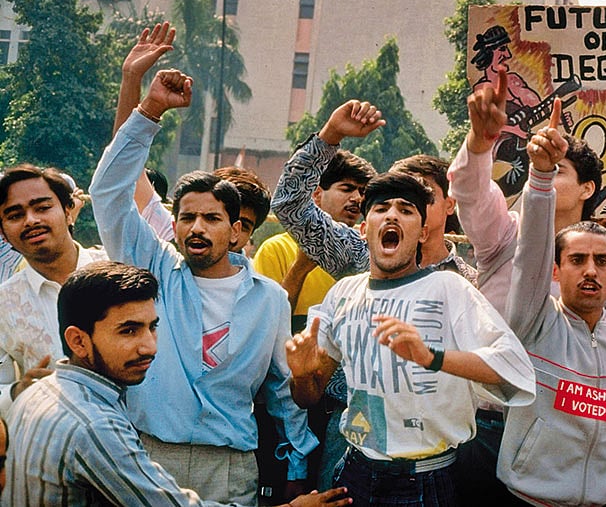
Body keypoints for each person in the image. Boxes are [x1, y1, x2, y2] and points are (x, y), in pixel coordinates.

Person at [90, 69, 318, 504]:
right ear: (173, 225)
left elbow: (283, 393)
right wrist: (149, 110)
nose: (197, 227)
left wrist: (297, 465)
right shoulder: (151, 270)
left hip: (230, 467)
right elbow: (108, 192)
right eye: (187, 217)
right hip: (146, 455)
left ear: (236, 232)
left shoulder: (268, 299)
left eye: (211, 218)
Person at [1, 260, 349, 507]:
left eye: (152, 326)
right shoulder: (94, 425)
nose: (149, 346)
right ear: (78, 341)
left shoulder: (41, 391)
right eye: (129, 331)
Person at [285, 164, 535, 507]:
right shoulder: (343, 293)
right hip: (354, 472)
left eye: (405, 210)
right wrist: (300, 376)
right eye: (381, 208)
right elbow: (308, 396)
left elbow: (513, 368)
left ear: (422, 232)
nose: (392, 216)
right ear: (363, 229)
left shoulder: (450, 289)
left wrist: (431, 357)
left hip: (428, 479)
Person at [497, 110, 606, 507]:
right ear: (555, 269)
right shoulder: (533, 321)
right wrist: (541, 177)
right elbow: (530, 251)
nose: (590, 271)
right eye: (577, 260)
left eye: (601, 261)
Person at [0, 164, 107, 417]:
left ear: (69, 212)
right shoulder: (4, 303)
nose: (31, 220)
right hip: (53, 443)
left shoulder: (116, 271)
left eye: (42, 208)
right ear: (3, 234)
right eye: (15, 215)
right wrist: (18, 390)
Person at [258, 149, 376, 332]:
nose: (357, 198)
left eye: (362, 192)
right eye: (347, 189)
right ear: (316, 195)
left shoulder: (370, 251)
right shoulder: (276, 249)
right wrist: (299, 269)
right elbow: (266, 322)